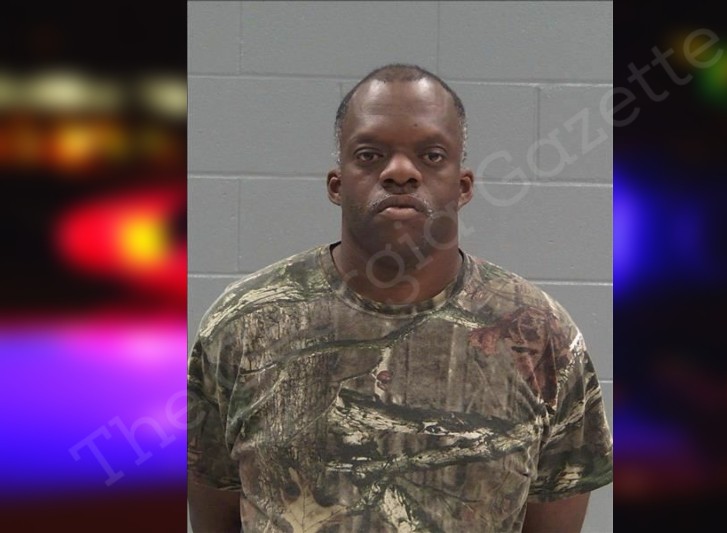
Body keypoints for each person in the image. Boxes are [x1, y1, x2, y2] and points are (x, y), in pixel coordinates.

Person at [188, 64, 612, 533]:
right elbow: (215, 511)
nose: (400, 172)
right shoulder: (244, 325)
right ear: (336, 184)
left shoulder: (539, 336)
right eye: (370, 155)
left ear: (463, 186)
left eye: (431, 156)